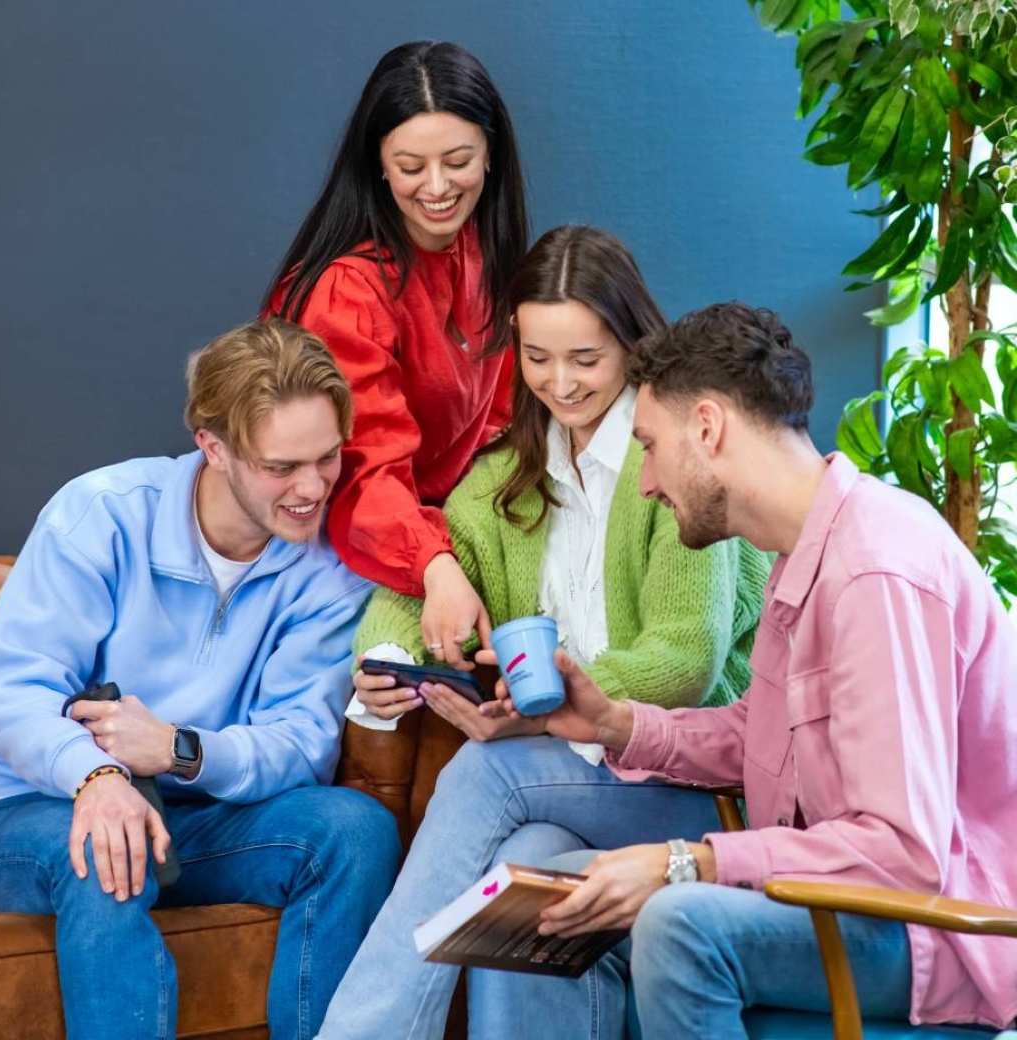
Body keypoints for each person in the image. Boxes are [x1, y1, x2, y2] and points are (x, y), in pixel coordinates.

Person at [479, 302, 1017, 1037]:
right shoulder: (803, 556)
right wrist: (616, 723)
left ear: (707, 427)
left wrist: (684, 862)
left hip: (938, 929)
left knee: (680, 922)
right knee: (549, 885)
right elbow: (758, 732)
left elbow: (902, 852)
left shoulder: (877, 568)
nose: (645, 484)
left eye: (652, 446)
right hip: (843, 904)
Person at [317, 228, 770, 1039]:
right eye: (536, 357)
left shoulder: (677, 465)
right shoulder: (509, 473)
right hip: (577, 787)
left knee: (489, 778)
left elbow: (687, 663)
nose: (559, 383)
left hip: (699, 784)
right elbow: (418, 581)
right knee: (524, 867)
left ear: (634, 346)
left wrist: (546, 708)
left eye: (585, 360)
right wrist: (389, 660)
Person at [0, 319, 401, 1040]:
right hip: (24, 806)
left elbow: (300, 742)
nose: (311, 488)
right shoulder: (102, 516)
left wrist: (180, 749)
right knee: (112, 849)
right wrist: (97, 777)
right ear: (213, 447)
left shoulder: (328, 569)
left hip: (193, 814)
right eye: (281, 467)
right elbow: (12, 693)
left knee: (354, 831)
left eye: (327, 458)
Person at [264, 40, 529, 666]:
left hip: (451, 532)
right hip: (354, 553)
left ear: (491, 155)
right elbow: (359, 469)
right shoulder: (346, 291)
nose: (437, 187)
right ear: (378, 165)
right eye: (411, 166)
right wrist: (435, 566)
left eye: (458, 160)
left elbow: (511, 418)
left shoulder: (483, 255)